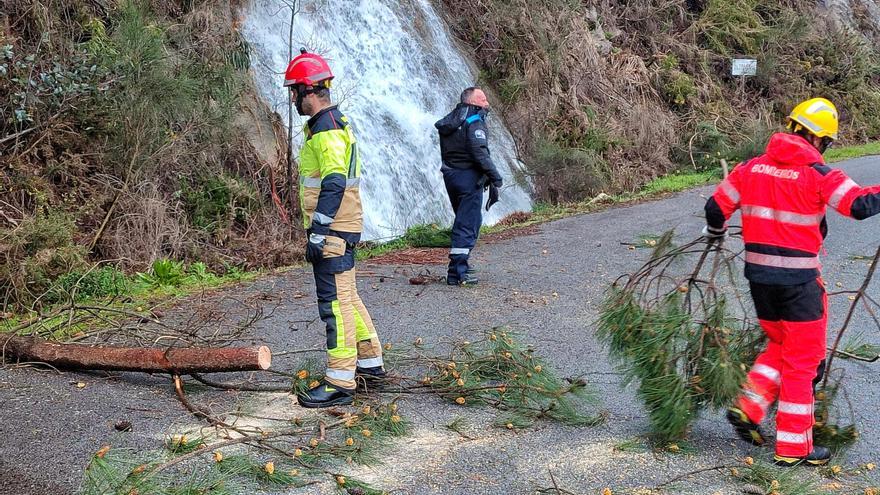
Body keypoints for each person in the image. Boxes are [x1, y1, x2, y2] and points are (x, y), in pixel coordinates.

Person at [704, 97, 880, 466]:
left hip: (760, 281)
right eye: (827, 143)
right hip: (799, 284)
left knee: (780, 344)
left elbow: (715, 208)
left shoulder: (750, 168)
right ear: (817, 139)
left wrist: (715, 232)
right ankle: (794, 448)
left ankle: (748, 407)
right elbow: (859, 206)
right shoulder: (817, 173)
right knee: (804, 361)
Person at [284, 49, 384, 408]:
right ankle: (370, 364)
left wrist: (318, 232)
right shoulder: (337, 123)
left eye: (294, 91)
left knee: (334, 306)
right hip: (346, 226)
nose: (292, 98)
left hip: (334, 231)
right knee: (349, 297)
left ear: (307, 91)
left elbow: (334, 182)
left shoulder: (325, 131)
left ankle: (339, 382)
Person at [435, 87, 504, 286]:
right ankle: (460, 271)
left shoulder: (451, 120)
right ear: (472, 102)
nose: (487, 103)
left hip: (451, 175)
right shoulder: (474, 121)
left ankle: (455, 270)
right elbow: (479, 152)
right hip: (468, 178)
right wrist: (495, 177)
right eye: (483, 99)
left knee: (463, 220)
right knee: (468, 223)